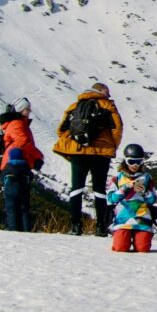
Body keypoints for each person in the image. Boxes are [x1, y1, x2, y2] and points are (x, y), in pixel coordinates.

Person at [52, 83, 123, 235]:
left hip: (78, 152)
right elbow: (117, 129)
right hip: (100, 153)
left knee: (76, 188)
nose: (109, 95)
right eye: (107, 92)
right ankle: (100, 227)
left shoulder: (74, 106)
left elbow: (61, 129)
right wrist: (111, 146)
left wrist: (73, 145)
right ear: (100, 91)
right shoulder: (108, 106)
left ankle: (75, 226)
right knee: (99, 190)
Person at [0, 101, 43, 233]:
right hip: (16, 165)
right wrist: (38, 157)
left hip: (13, 164)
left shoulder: (17, 123)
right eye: (27, 109)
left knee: (15, 203)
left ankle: (17, 230)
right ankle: (20, 231)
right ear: (20, 110)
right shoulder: (17, 123)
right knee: (20, 203)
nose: (29, 112)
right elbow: (23, 142)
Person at [106, 144, 157, 252]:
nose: (135, 165)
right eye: (131, 162)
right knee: (120, 248)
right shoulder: (117, 178)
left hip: (142, 218)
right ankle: (121, 237)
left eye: (138, 161)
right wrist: (125, 188)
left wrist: (144, 192)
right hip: (123, 218)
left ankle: (139, 239)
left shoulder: (147, 178)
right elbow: (111, 199)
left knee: (143, 249)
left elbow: (152, 200)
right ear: (125, 161)